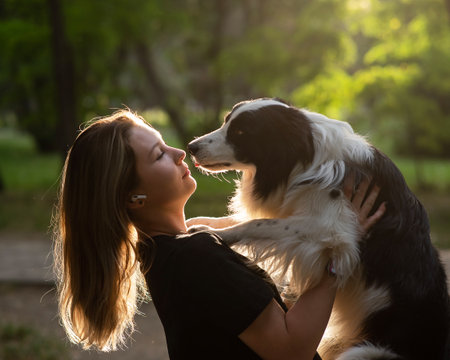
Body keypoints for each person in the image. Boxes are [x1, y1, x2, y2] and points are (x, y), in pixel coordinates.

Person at [53, 109, 385, 360]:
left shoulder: (164, 251)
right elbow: (290, 350)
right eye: (158, 155)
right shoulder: (194, 256)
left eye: (165, 143)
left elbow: (249, 322)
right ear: (133, 197)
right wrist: (334, 259)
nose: (179, 153)